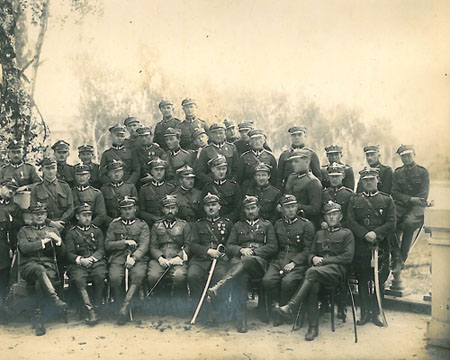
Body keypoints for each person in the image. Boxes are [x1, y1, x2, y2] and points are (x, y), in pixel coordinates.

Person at [274, 201, 355, 341]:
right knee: (313, 287)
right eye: (329, 215)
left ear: (340, 217)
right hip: (318, 273)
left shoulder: (347, 234)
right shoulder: (319, 234)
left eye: (334, 214)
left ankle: (292, 305)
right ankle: (313, 328)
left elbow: (347, 257)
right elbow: (310, 253)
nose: (331, 218)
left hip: (336, 272)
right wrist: (314, 258)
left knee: (311, 272)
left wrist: (323, 261)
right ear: (325, 218)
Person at [207, 195, 277, 333]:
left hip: (258, 263)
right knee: (242, 278)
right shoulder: (237, 225)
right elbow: (229, 245)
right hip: (240, 264)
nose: (250, 211)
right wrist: (241, 249)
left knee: (246, 261)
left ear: (258, 208)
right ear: (244, 210)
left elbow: (272, 246)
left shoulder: (267, 225)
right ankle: (241, 318)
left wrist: (254, 252)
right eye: (247, 209)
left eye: (253, 208)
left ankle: (221, 285)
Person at [347, 166, 395, 327]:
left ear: (378, 180)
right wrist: (364, 234)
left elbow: (391, 222)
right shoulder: (355, 200)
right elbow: (350, 221)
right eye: (365, 180)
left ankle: (377, 312)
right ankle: (364, 312)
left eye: (371, 179)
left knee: (379, 280)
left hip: (380, 247)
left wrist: (376, 233)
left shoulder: (387, 199)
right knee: (362, 278)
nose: (368, 182)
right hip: (361, 246)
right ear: (361, 181)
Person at [262, 194, 314, 326]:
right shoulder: (277, 224)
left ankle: (284, 311)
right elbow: (274, 245)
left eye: (293, 207)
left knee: (287, 281)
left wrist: (294, 262)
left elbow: (308, 250)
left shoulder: (306, 225)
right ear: (282, 209)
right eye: (287, 207)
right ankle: (281, 306)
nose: (291, 210)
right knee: (267, 281)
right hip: (279, 259)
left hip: (297, 261)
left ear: (297, 207)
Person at [17, 202, 67, 336]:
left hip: (48, 266)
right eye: (36, 214)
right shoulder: (24, 230)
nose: (39, 216)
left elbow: (62, 254)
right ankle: (55, 300)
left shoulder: (53, 230)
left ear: (46, 215)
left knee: (40, 280)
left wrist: (58, 241)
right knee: (39, 269)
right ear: (31, 216)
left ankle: (39, 320)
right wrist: (43, 242)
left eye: (42, 214)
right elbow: (24, 248)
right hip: (28, 266)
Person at [188, 193, 232, 323]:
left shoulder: (227, 223)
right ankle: (201, 309)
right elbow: (193, 245)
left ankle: (218, 309)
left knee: (221, 277)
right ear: (204, 208)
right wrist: (207, 251)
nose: (211, 208)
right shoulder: (198, 224)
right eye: (208, 206)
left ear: (219, 206)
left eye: (214, 205)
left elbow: (231, 243)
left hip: (220, 260)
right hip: (200, 259)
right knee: (192, 275)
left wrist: (224, 254)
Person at [105, 196, 150, 325]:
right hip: (118, 257)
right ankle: (120, 305)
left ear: (135, 209)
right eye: (124, 209)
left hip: (138, 259)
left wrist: (135, 258)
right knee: (114, 278)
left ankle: (125, 307)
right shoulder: (114, 225)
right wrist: (123, 242)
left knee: (138, 275)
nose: (127, 212)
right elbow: (108, 244)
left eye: (130, 209)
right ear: (120, 211)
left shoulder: (142, 225)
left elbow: (144, 245)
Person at [147, 195, 192, 316]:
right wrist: (160, 258)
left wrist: (179, 257)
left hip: (177, 258)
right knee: (153, 276)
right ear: (163, 210)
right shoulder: (156, 226)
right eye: (167, 208)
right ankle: (162, 302)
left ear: (177, 209)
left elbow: (188, 245)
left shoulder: (184, 225)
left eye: (173, 208)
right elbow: (153, 246)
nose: (170, 211)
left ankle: (179, 303)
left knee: (179, 276)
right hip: (160, 258)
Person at [65, 203, 107, 325]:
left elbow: (101, 249)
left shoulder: (97, 231)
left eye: (89, 215)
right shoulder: (71, 233)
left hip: (95, 262)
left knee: (100, 276)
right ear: (77, 217)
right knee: (79, 279)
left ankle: (97, 306)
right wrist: (80, 260)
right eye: (84, 215)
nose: (87, 218)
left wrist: (93, 259)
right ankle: (90, 310)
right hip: (79, 264)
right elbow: (69, 253)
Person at [392, 145, 429, 263]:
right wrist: (410, 199)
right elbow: (394, 192)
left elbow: (423, 195)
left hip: (417, 207)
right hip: (401, 205)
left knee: (408, 224)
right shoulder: (397, 172)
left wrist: (413, 200)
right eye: (403, 156)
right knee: (390, 223)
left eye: (409, 155)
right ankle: (395, 254)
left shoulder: (422, 172)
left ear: (414, 155)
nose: (406, 158)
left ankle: (402, 257)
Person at [31, 156, 74, 234]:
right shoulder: (36, 188)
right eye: (47, 168)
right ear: (43, 169)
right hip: (45, 226)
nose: (50, 171)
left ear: (56, 168)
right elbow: (33, 209)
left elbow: (71, 207)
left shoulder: (64, 186)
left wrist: (61, 222)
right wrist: (51, 223)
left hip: (64, 226)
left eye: (53, 168)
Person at [0, 179, 23, 320]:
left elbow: (20, 224)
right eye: (8, 188)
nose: (11, 192)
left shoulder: (14, 207)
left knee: (4, 277)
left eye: (14, 190)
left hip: (4, 247)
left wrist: (10, 219)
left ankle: (2, 309)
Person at [284, 149, 323, 227]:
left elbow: (315, 209)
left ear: (307, 162)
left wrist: (296, 206)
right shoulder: (291, 177)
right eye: (292, 162)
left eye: (296, 161)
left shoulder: (313, 182)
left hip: (306, 223)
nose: (293, 164)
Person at [195, 123, 239, 188]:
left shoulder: (232, 148)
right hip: (211, 185)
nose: (218, 135)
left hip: (229, 185)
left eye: (221, 133)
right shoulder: (206, 150)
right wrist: (211, 183)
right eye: (215, 133)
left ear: (225, 134)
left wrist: (231, 182)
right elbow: (200, 172)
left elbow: (236, 169)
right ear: (211, 135)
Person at [201, 155, 241, 223]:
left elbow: (238, 207)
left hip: (230, 222)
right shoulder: (207, 188)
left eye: (223, 169)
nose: (221, 172)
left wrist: (227, 220)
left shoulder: (234, 186)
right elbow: (203, 208)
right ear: (212, 169)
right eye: (218, 169)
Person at [139, 158, 175, 229]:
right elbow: (141, 211)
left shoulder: (170, 188)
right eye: (156, 170)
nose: (159, 172)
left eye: (161, 170)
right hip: (149, 224)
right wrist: (152, 217)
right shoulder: (144, 189)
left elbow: (174, 208)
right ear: (151, 171)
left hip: (167, 223)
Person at [72, 164, 108, 229]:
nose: (81, 178)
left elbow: (101, 215)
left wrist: (90, 227)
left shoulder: (96, 193)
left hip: (92, 228)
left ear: (89, 176)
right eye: (78, 175)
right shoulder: (71, 192)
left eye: (84, 175)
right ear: (75, 176)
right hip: (74, 229)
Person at [321, 163, 354, 228]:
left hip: (344, 229)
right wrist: (322, 222)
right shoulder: (323, 194)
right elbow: (319, 214)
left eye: (337, 176)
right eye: (332, 177)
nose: (334, 179)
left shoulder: (349, 194)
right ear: (328, 177)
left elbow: (351, 217)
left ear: (343, 176)